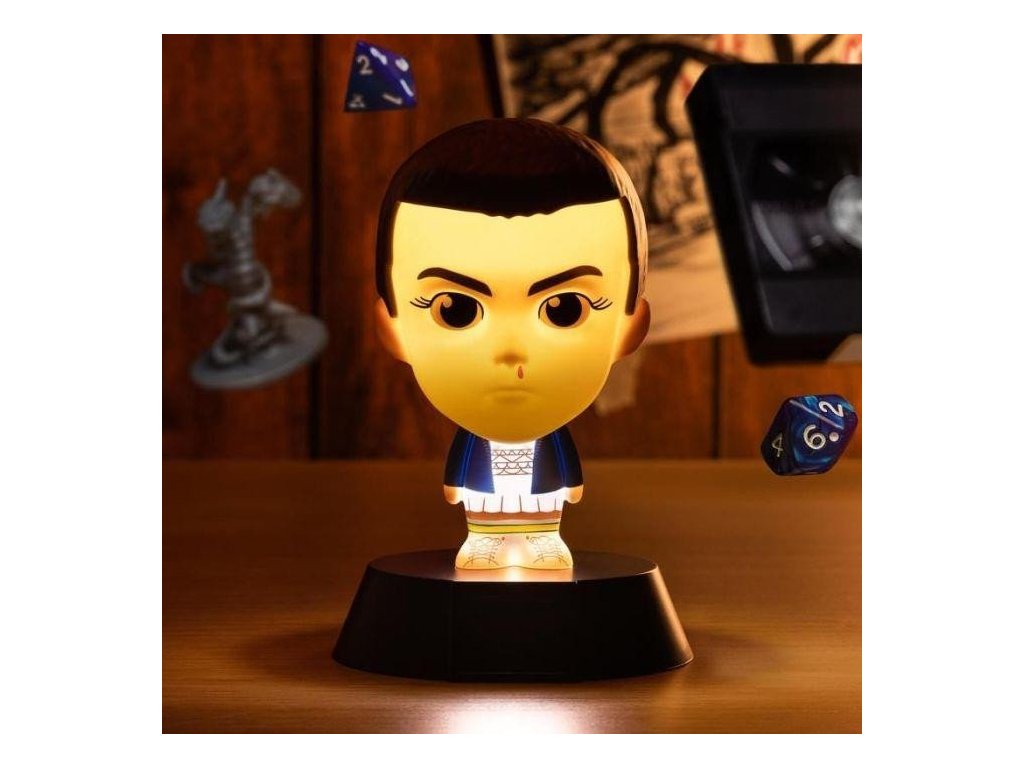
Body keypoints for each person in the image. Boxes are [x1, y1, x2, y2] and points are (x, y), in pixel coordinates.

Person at [374, 118, 650, 569]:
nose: (510, 349)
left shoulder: (551, 433)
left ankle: (543, 540)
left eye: (564, 308)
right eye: (456, 310)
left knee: (542, 513)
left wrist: (571, 483)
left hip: (542, 497)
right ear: (393, 329)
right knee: (486, 513)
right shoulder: (474, 436)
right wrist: (455, 484)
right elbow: (460, 467)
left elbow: (565, 465)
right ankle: (482, 542)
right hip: (484, 498)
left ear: (630, 326)